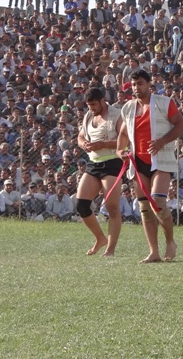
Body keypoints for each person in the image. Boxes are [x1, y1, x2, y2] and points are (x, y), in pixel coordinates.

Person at [116, 70, 183, 263]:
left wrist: (162, 141)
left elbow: (181, 125)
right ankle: (153, 252)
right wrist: (120, 151)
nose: (137, 88)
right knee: (145, 207)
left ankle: (170, 241)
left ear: (149, 84)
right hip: (138, 163)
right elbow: (122, 134)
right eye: (133, 85)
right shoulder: (128, 108)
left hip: (161, 160)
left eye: (140, 84)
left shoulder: (164, 103)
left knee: (158, 202)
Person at [76, 88, 123, 256]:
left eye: (94, 105)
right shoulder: (88, 115)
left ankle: (110, 249)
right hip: (94, 163)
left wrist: (103, 144)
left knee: (112, 207)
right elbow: (80, 136)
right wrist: (84, 144)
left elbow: (125, 140)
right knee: (81, 205)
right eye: (89, 105)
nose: (91, 108)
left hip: (112, 163)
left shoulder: (117, 114)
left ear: (103, 101)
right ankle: (100, 239)